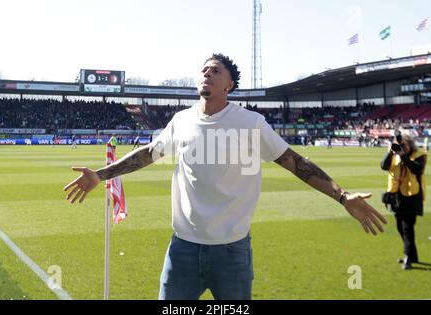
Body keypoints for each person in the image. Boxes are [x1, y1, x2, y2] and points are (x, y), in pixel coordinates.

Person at [64, 53, 387, 300]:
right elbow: (150, 153)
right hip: (183, 251)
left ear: (229, 85)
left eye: (215, 70)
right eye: (204, 69)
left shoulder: (251, 123)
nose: (207, 73)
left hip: (232, 254)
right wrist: (101, 175)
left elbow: (295, 163)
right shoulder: (181, 120)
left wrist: (342, 196)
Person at [381, 132, 427, 270]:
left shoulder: (420, 155)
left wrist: (403, 156)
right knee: (400, 227)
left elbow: (417, 169)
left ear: (410, 144)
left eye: (404, 145)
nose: (401, 147)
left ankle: (408, 258)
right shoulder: (394, 154)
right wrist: (390, 153)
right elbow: (383, 166)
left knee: (408, 228)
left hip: (412, 197)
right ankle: (412, 256)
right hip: (397, 197)